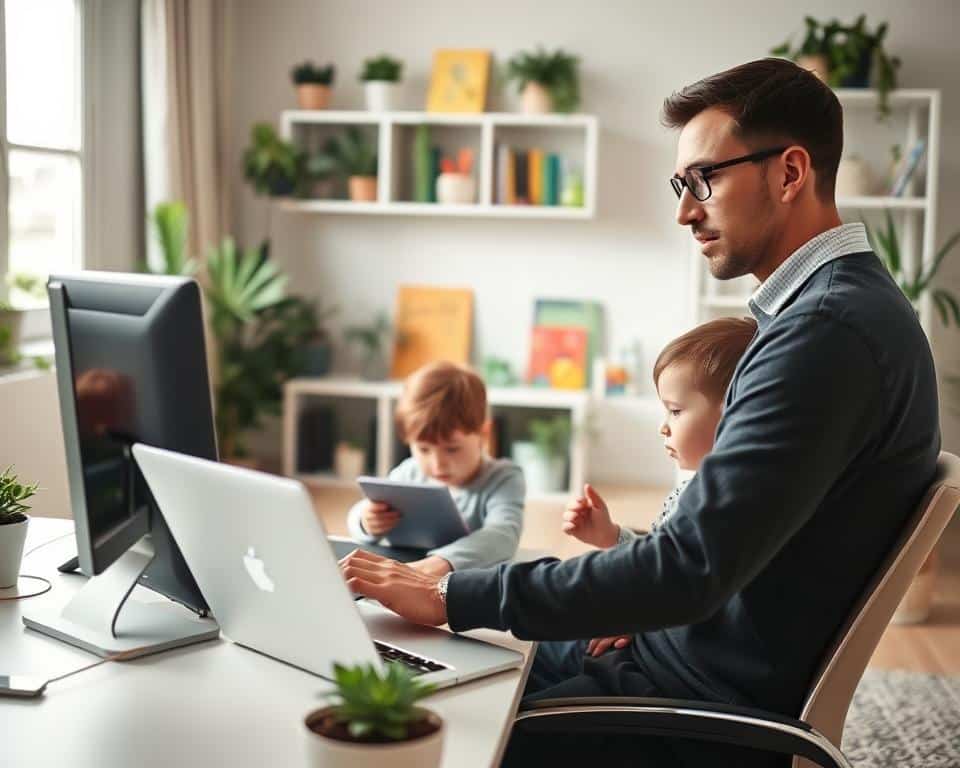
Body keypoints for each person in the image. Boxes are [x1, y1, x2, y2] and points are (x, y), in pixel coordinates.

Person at [340, 58, 940, 766]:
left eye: (703, 180)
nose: (685, 210)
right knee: (397, 654)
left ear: (789, 173)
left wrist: (453, 594)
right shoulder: (832, 314)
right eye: (680, 185)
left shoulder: (827, 335)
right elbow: (703, 556)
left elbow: (687, 567)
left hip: (683, 705)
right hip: (666, 652)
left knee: (406, 716)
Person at [564, 317, 757, 658]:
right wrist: (611, 535)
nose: (663, 428)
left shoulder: (720, 503)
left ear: (734, 414)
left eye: (675, 411)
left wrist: (638, 617)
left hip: (666, 652)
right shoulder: (700, 488)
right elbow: (665, 559)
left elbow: (690, 589)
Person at [346, 360, 525, 576]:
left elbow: (503, 534)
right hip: (407, 577)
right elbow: (366, 510)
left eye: (452, 449)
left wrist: (439, 564)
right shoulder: (409, 472)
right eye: (423, 449)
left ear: (483, 435)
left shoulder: (503, 478)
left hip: (467, 586)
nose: (438, 464)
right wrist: (366, 521)